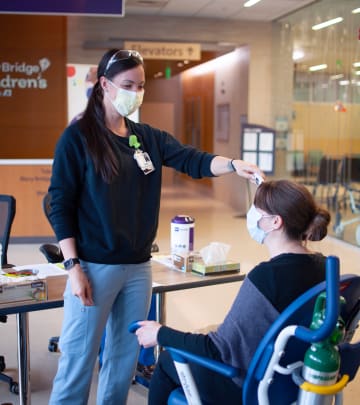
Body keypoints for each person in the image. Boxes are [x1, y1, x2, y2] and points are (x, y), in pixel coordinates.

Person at [47, 48, 263, 405]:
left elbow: (192, 159)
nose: (136, 92)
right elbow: (60, 205)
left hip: (137, 267)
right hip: (93, 266)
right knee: (78, 359)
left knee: (123, 360)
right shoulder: (78, 139)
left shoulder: (145, 137)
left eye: (141, 85)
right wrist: (73, 268)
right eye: (128, 84)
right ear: (104, 85)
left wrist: (233, 164)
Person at [135, 179, 331, 405]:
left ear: (275, 222)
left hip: (250, 388)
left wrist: (160, 333)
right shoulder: (324, 267)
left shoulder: (266, 278)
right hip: (295, 381)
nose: (253, 215)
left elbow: (217, 349)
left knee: (168, 359)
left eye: (258, 210)